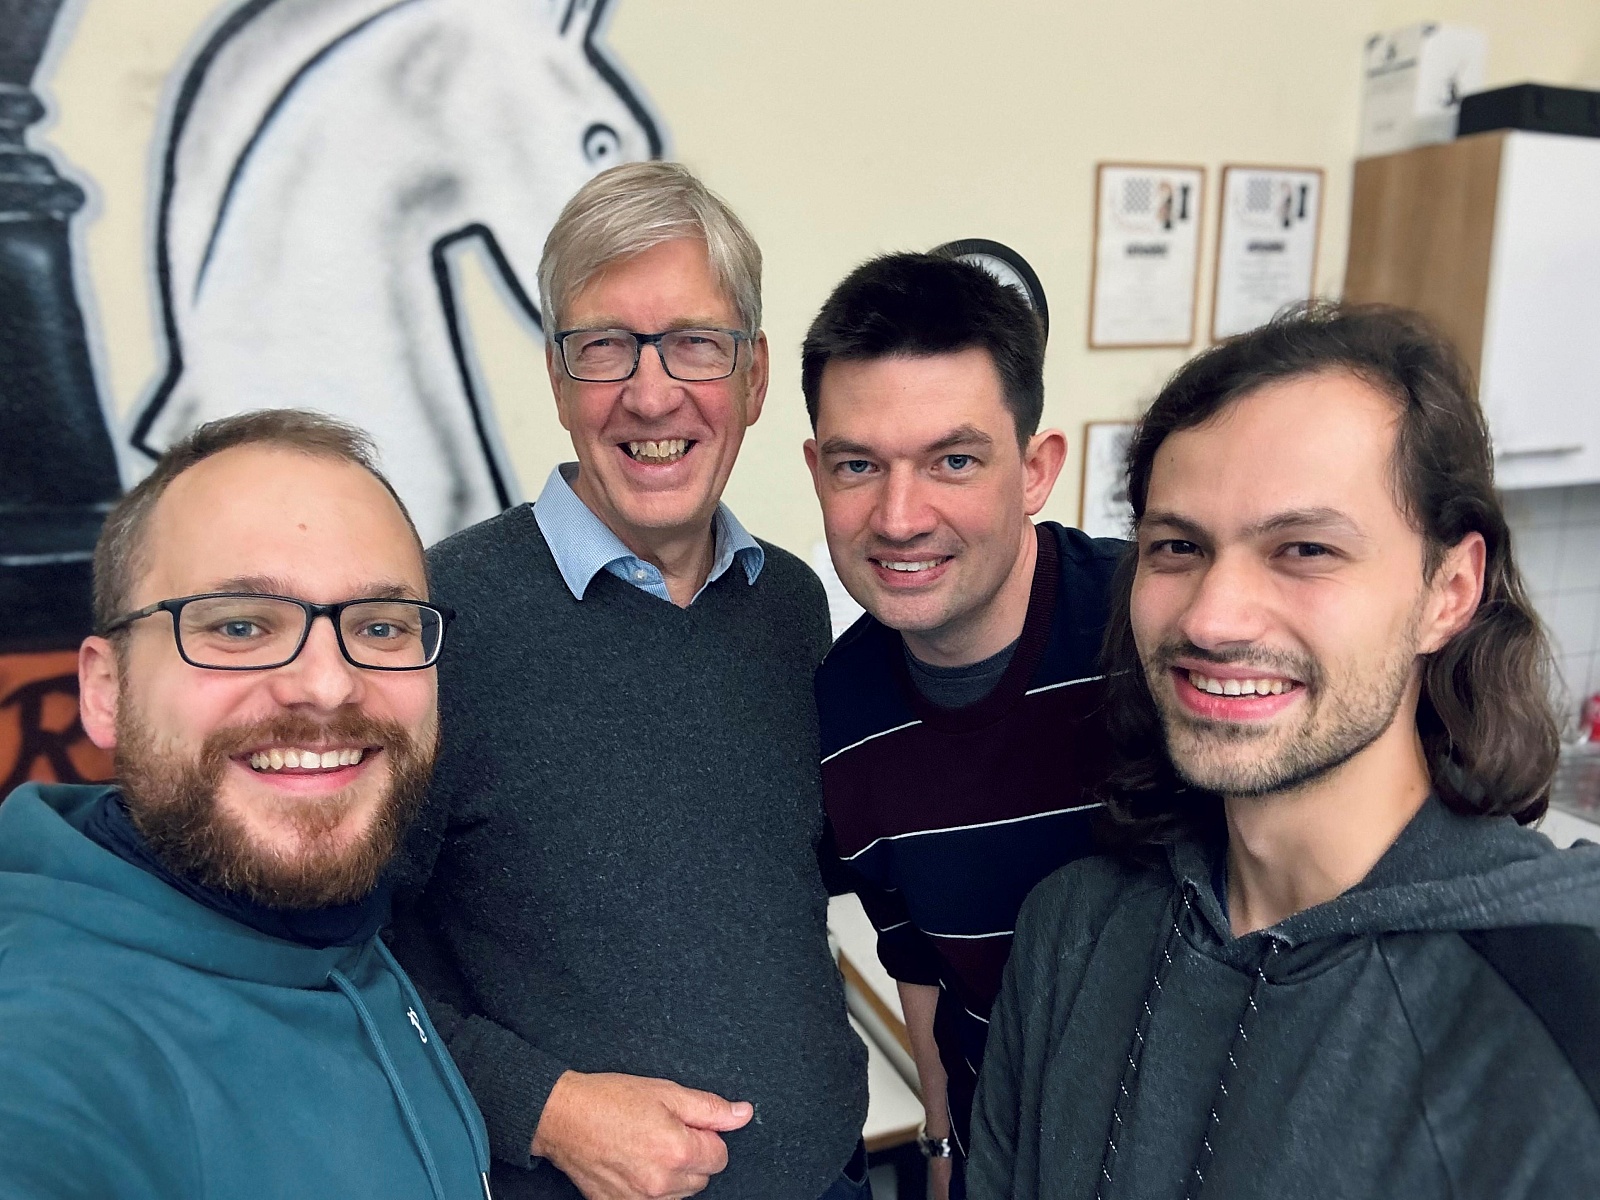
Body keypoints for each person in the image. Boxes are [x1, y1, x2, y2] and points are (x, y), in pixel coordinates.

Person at [969, 304, 1600, 1199]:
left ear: (1449, 591)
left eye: (1305, 548)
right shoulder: (1070, 934)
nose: (1213, 618)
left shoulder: (1562, 1016)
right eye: (1178, 547)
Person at [389, 161, 867, 1200]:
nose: (652, 394)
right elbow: (347, 953)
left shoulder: (790, 605)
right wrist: (545, 1107)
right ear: (560, 381)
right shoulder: (436, 622)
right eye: (605, 346)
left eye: (695, 343)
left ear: (752, 378)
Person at [0, 411, 491, 1198]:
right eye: (238, 625)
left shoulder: (332, 932)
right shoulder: (44, 1052)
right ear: (107, 690)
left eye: (379, 626)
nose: (327, 685)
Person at [801, 252, 1122, 1198]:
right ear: (817, 471)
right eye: (859, 465)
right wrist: (944, 1154)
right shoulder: (841, 713)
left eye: (954, 461)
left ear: (1036, 471)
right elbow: (921, 964)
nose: (900, 518)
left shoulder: (1159, 635)